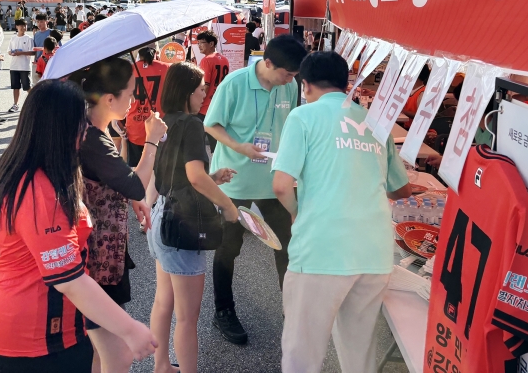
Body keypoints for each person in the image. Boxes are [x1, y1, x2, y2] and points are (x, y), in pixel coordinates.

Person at [0, 80, 157, 373]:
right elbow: (68, 280)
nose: (84, 130)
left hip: (43, 324)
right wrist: (130, 328)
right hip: (34, 336)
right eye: (80, 123)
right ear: (60, 128)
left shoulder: (27, 166)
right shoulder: (39, 189)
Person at [272, 51, 411, 373]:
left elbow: (281, 184)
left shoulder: (303, 117)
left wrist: (297, 212)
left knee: (302, 353)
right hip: (373, 251)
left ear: (304, 85)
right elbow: (401, 190)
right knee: (358, 353)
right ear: (346, 83)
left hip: (322, 248)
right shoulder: (374, 122)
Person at [204, 35, 307, 344]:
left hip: (274, 182)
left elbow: (290, 126)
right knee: (228, 249)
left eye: (294, 76)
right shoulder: (234, 84)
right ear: (269, 63)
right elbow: (211, 124)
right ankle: (223, 311)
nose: (291, 80)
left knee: (288, 246)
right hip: (234, 181)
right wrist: (240, 147)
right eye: (287, 73)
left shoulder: (288, 86)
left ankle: (293, 311)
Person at [73, 57, 167, 373]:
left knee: (100, 350)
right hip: (98, 255)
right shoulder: (94, 138)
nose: (133, 101)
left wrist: (127, 194)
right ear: (110, 99)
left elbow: (111, 182)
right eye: (129, 94)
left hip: (98, 248)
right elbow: (138, 185)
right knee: (115, 352)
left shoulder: (88, 129)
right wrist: (153, 139)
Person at [147, 61, 239, 373]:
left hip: (163, 215)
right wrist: (228, 206)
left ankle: (161, 366)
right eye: (201, 89)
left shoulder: (163, 123)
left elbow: (181, 177)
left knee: (164, 302)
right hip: (182, 224)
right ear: (187, 92)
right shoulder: (191, 124)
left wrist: (214, 177)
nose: (205, 94)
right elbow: (195, 178)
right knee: (187, 316)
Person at [125, 46, 170, 168]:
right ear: (155, 52)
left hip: (134, 125)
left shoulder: (129, 69)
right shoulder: (166, 68)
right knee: (156, 170)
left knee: (136, 168)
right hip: (157, 125)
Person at [196, 30, 229, 152]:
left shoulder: (207, 60)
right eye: (198, 43)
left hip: (205, 106)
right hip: (218, 103)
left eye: (202, 42)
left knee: (197, 142)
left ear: (211, 44)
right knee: (216, 142)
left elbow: (206, 85)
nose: (199, 45)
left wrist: (196, 101)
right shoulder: (224, 59)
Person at [7, 19, 35, 112]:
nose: (23, 28)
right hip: (14, 66)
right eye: (21, 26)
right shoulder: (13, 38)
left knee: (27, 86)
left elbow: (32, 52)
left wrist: (21, 53)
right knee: (15, 86)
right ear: (17, 27)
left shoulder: (29, 38)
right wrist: (11, 53)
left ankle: (35, 102)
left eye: (25, 26)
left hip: (25, 66)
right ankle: (15, 104)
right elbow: (9, 50)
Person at [32, 13, 51, 85]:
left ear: (47, 22)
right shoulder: (36, 34)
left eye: (41, 21)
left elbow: (58, 48)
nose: (39, 24)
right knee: (36, 85)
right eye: (38, 22)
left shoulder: (52, 32)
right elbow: (35, 50)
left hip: (49, 63)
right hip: (38, 63)